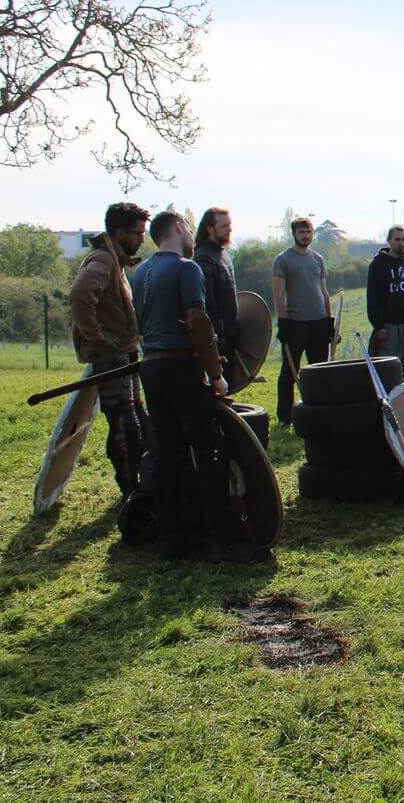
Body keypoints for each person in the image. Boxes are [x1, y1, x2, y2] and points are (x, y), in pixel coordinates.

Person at [129, 210, 267, 562]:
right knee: (210, 449)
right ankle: (225, 540)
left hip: (151, 367)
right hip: (181, 367)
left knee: (168, 452)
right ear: (178, 227)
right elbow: (198, 322)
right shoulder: (186, 268)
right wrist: (215, 373)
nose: (191, 233)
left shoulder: (140, 272)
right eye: (188, 227)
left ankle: (173, 537)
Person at [68, 201, 152, 495]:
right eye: (137, 233)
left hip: (124, 352)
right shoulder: (103, 260)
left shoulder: (115, 260)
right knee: (123, 423)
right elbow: (80, 295)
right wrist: (97, 336)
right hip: (110, 355)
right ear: (119, 233)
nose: (141, 239)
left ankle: (141, 481)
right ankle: (130, 489)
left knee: (135, 416)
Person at [271, 217, 334, 426]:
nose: (305, 236)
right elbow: (278, 295)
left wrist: (329, 320)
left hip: (319, 321)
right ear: (294, 234)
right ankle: (285, 416)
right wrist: (283, 322)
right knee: (289, 371)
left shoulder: (318, 259)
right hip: (295, 323)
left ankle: (319, 409)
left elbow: (324, 291)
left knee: (319, 370)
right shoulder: (283, 260)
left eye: (308, 232)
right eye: (301, 232)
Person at [194, 207, 239, 378]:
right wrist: (217, 339)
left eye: (230, 225)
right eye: (224, 226)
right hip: (218, 339)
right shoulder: (203, 257)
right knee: (220, 389)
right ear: (209, 228)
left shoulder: (223, 253)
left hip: (230, 334)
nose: (229, 229)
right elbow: (207, 304)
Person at [366, 225, 404, 365]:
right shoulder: (378, 265)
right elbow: (373, 297)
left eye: (403, 239)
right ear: (389, 241)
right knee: (389, 363)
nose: (400, 243)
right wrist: (379, 326)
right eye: (397, 239)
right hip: (389, 324)